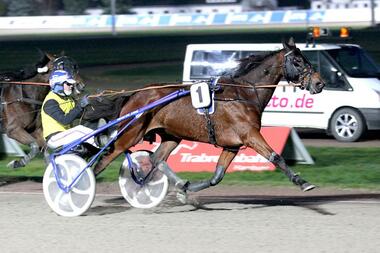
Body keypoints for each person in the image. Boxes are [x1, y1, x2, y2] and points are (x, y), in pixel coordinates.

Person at [41, 69, 94, 152]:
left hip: (66, 135)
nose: (72, 86)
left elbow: (79, 114)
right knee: (80, 130)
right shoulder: (50, 102)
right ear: (58, 85)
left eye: (71, 84)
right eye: (68, 84)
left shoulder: (69, 99)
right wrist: (80, 105)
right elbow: (65, 120)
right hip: (54, 138)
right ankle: (101, 144)